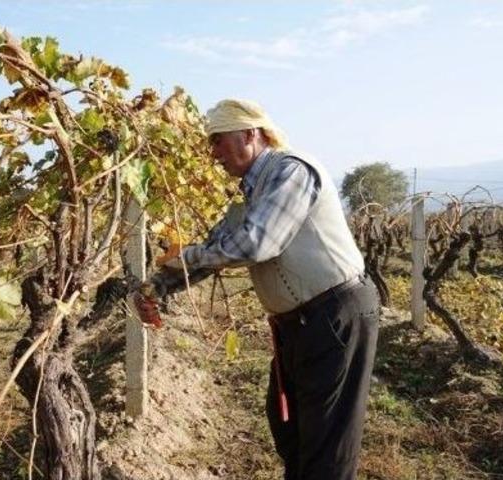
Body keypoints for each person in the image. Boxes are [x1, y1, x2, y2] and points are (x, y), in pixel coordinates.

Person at [155, 99, 380, 480]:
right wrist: (158, 286)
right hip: (299, 324)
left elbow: (255, 244)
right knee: (289, 431)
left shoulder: (291, 171)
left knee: (326, 445)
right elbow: (218, 248)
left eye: (218, 141)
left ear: (250, 134)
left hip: (335, 315)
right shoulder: (251, 190)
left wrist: (182, 258)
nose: (213, 154)